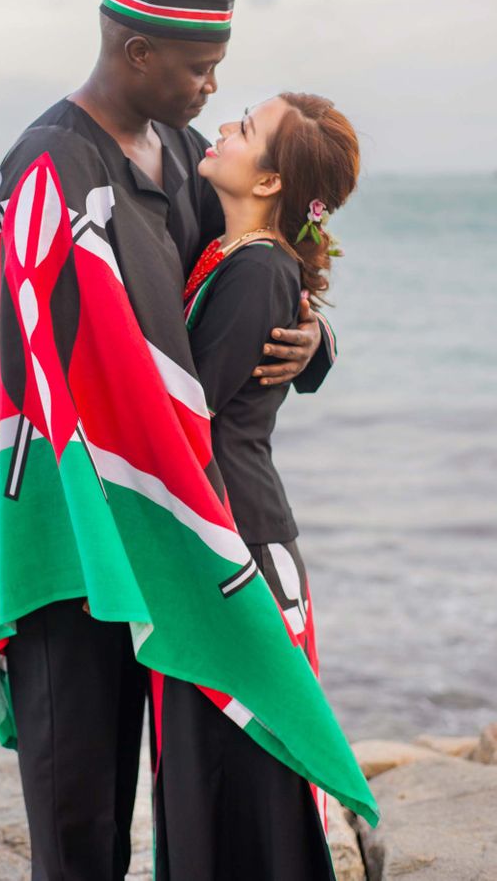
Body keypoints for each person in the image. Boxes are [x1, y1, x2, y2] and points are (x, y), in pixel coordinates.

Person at [0, 0, 341, 881]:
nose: (213, 88)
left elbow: (253, 271)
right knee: (79, 810)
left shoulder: (181, 153)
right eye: (201, 68)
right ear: (136, 53)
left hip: (164, 520)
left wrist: (318, 344)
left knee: (178, 783)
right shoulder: (49, 163)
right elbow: (40, 359)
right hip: (72, 529)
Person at [154, 92, 359, 880]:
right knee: (212, 770)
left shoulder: (259, 269)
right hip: (218, 536)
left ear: (270, 182)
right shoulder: (230, 252)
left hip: (240, 547)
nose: (223, 130)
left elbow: (188, 410)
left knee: (249, 768)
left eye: (244, 129)